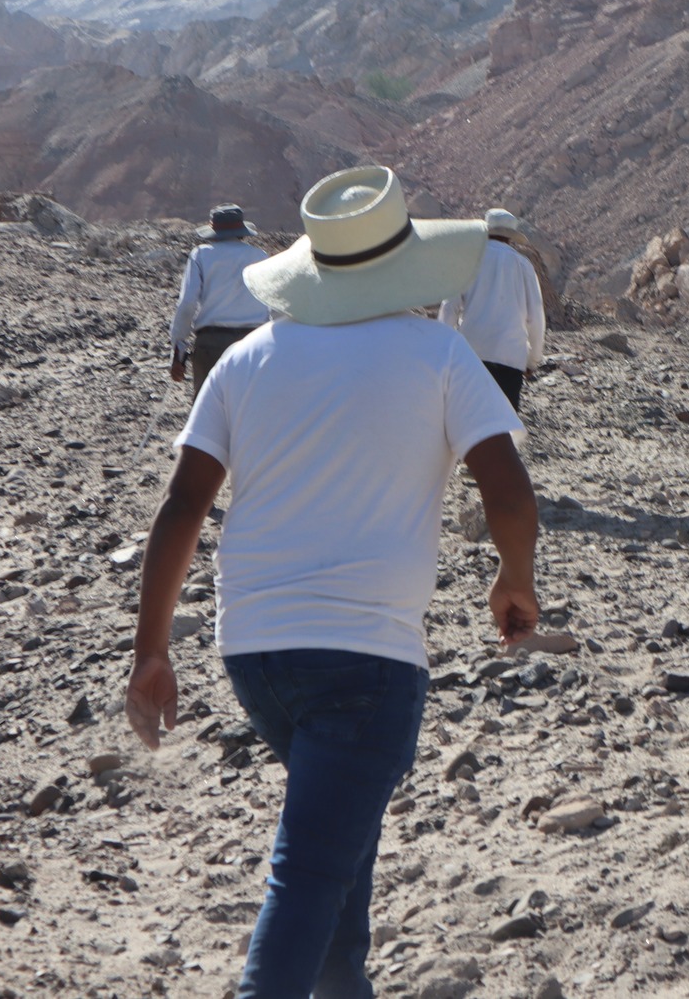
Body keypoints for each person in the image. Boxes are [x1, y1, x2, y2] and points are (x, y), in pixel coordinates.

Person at [125, 167, 540, 999]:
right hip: (369, 662)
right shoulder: (438, 354)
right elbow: (507, 487)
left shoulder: (246, 358)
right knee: (312, 869)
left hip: (256, 656)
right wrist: (513, 578)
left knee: (335, 849)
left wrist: (151, 651)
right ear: (407, 266)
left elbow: (181, 507)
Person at [438, 208, 546, 411]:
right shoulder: (524, 266)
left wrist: (444, 350)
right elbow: (536, 318)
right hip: (510, 358)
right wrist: (533, 360)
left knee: (466, 421)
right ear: (510, 238)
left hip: (472, 355)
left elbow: (449, 308)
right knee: (504, 428)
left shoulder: (469, 260)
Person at [170, 205, 271, 397]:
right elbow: (272, 305)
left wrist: (178, 350)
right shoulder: (260, 256)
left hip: (211, 343)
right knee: (250, 410)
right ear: (242, 231)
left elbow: (187, 303)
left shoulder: (201, 254)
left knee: (209, 412)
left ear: (214, 231)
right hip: (254, 343)